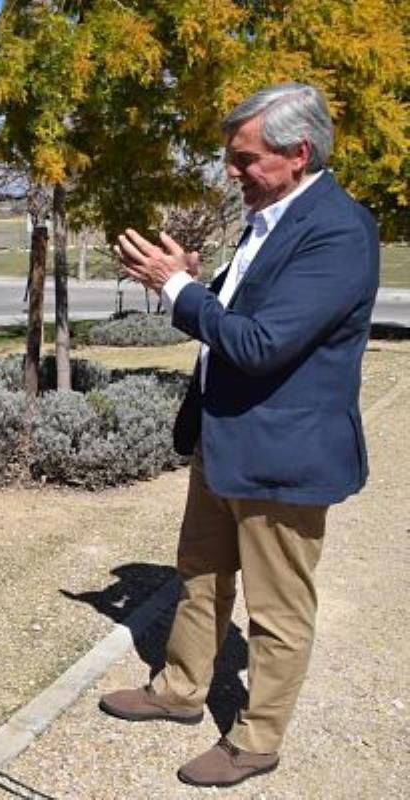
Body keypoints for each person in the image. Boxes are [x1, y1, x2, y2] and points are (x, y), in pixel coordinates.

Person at [100, 83, 379, 788]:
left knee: (277, 609)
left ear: (299, 153)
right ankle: (179, 689)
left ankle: (256, 740)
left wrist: (178, 290)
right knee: (200, 574)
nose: (232, 171)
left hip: (283, 454)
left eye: (245, 158)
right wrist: (196, 282)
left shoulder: (338, 230)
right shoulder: (269, 220)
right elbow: (238, 312)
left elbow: (260, 344)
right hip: (224, 439)